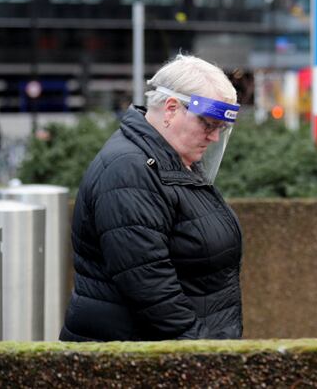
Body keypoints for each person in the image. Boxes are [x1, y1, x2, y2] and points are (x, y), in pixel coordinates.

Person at [60, 55, 244, 341]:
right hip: (140, 360)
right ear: (171, 109)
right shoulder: (130, 170)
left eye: (221, 128)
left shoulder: (168, 159)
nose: (214, 138)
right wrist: (203, 353)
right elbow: (150, 288)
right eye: (208, 124)